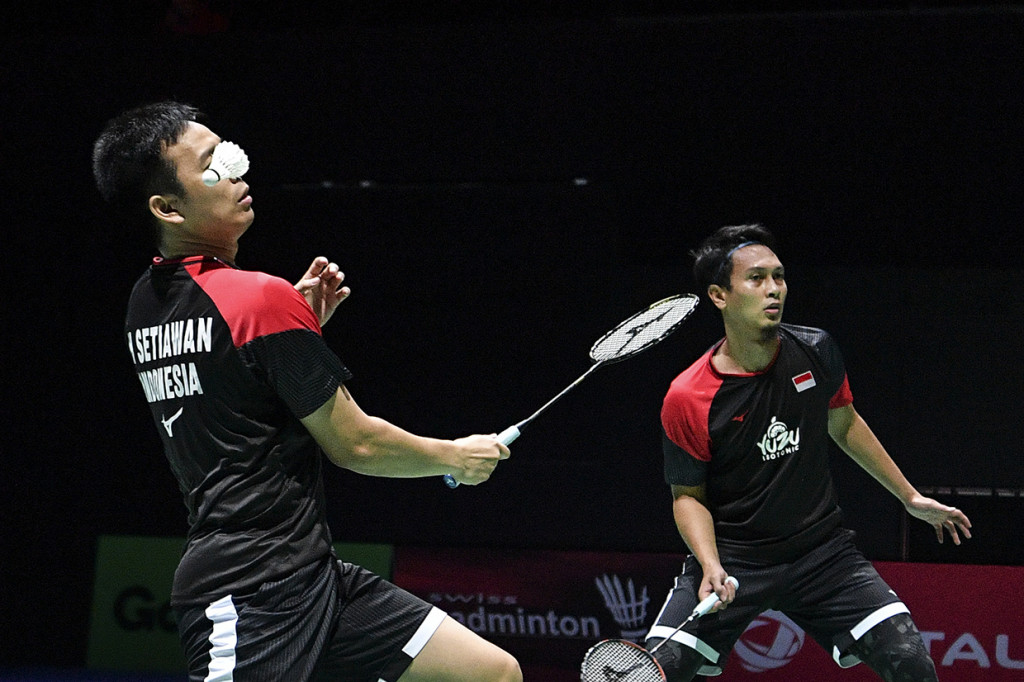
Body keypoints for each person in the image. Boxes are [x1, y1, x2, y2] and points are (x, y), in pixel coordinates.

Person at [92, 101, 522, 682]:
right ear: (167, 208)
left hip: (312, 575)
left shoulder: (145, 301)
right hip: (250, 593)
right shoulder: (260, 299)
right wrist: (455, 457)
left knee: (489, 673)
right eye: (211, 165)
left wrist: (296, 335)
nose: (236, 170)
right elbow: (356, 445)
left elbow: (229, 391)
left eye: (228, 152)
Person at [645, 224, 972, 681]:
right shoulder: (689, 395)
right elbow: (687, 495)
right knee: (659, 670)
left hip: (821, 553)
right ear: (720, 296)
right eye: (756, 278)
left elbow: (844, 422)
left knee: (910, 660)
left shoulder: (815, 350)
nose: (774, 289)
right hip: (736, 559)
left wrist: (909, 497)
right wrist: (711, 564)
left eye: (778, 276)